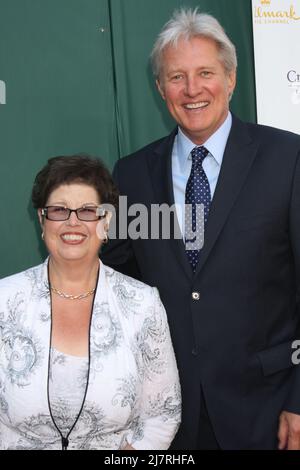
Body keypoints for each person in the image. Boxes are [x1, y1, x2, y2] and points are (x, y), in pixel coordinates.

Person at [101, 8, 300, 450]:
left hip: (268, 410)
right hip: (168, 414)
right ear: (159, 88)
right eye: (176, 77)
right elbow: (118, 282)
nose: (192, 90)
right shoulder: (132, 174)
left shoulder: (287, 160)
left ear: (230, 78)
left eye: (205, 73)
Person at [0, 155, 181, 450]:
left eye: (87, 211)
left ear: (106, 221)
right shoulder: (4, 300)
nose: (73, 222)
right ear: (42, 219)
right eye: (59, 210)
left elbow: (163, 412)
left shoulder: (142, 303)